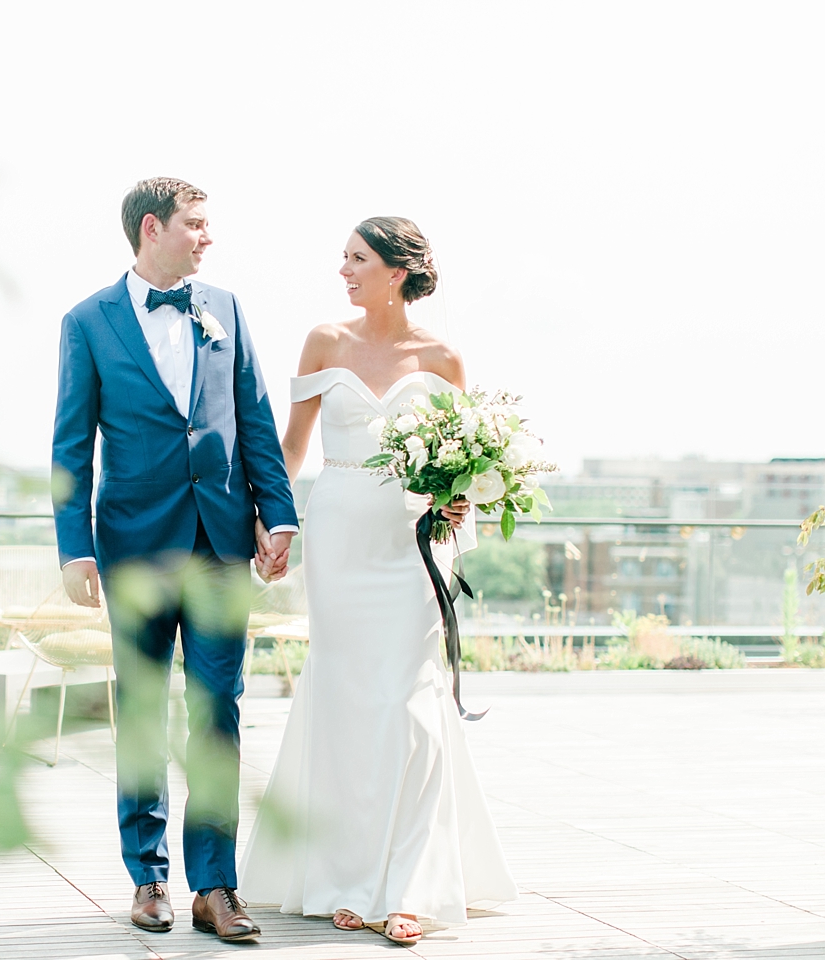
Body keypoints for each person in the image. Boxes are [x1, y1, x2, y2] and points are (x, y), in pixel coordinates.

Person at [238, 217, 517, 946]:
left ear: (397, 271)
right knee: (348, 698)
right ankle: (345, 877)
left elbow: (467, 464)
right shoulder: (324, 341)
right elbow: (288, 449)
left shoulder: (444, 356)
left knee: (410, 703)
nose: (344, 271)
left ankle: (412, 886)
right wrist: (274, 528)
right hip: (340, 541)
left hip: (415, 546)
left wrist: (462, 500)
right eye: (344, 259)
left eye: (356, 259)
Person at [52, 177, 297, 943]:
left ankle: (215, 885)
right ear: (152, 228)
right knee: (144, 714)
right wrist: (74, 548)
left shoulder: (224, 309)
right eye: (196, 224)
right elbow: (70, 444)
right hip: (132, 550)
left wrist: (279, 513)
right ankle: (148, 877)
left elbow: (255, 415)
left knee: (218, 709)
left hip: (221, 543)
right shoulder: (87, 322)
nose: (207, 237)